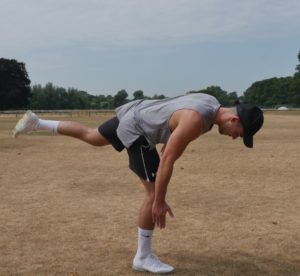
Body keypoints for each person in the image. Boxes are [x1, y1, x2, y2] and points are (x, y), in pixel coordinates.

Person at [12, 93, 264, 274]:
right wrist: (160, 200)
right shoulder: (198, 120)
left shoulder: (210, 102)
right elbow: (167, 159)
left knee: (93, 136)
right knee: (151, 194)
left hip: (137, 112)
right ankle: (142, 257)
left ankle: (37, 122)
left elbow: (171, 132)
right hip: (138, 129)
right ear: (234, 120)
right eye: (240, 134)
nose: (235, 138)